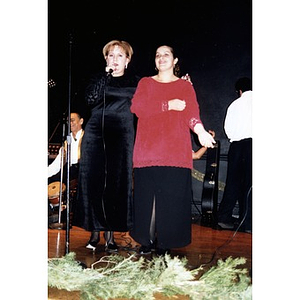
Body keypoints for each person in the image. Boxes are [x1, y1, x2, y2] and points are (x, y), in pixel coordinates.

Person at [130, 45, 215, 255]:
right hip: (147, 153)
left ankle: (165, 244)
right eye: (157, 55)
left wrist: (201, 131)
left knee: (170, 200)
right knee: (147, 200)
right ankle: (146, 242)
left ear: (175, 60)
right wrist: (168, 105)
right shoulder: (146, 83)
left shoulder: (185, 87)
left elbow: (192, 113)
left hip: (174, 152)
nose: (161, 58)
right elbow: (138, 108)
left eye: (166, 54)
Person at [73, 40, 140, 252]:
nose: (115, 60)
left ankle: (110, 235)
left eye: (120, 56)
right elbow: (91, 98)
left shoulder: (137, 82)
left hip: (122, 134)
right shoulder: (98, 78)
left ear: (127, 60)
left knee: (115, 183)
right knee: (94, 181)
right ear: (106, 59)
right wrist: (105, 75)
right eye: (111, 55)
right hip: (95, 134)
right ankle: (94, 233)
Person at [217, 77, 252, 233]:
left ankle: (224, 218)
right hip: (254, 146)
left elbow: (228, 129)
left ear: (239, 91)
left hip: (237, 146)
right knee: (251, 185)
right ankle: (249, 223)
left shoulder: (234, 105)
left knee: (233, 183)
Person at [48, 112, 84, 184]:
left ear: (81, 121)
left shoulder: (87, 138)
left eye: (72, 120)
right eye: (68, 121)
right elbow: (57, 164)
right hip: (69, 172)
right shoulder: (66, 142)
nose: (70, 123)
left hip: (83, 171)